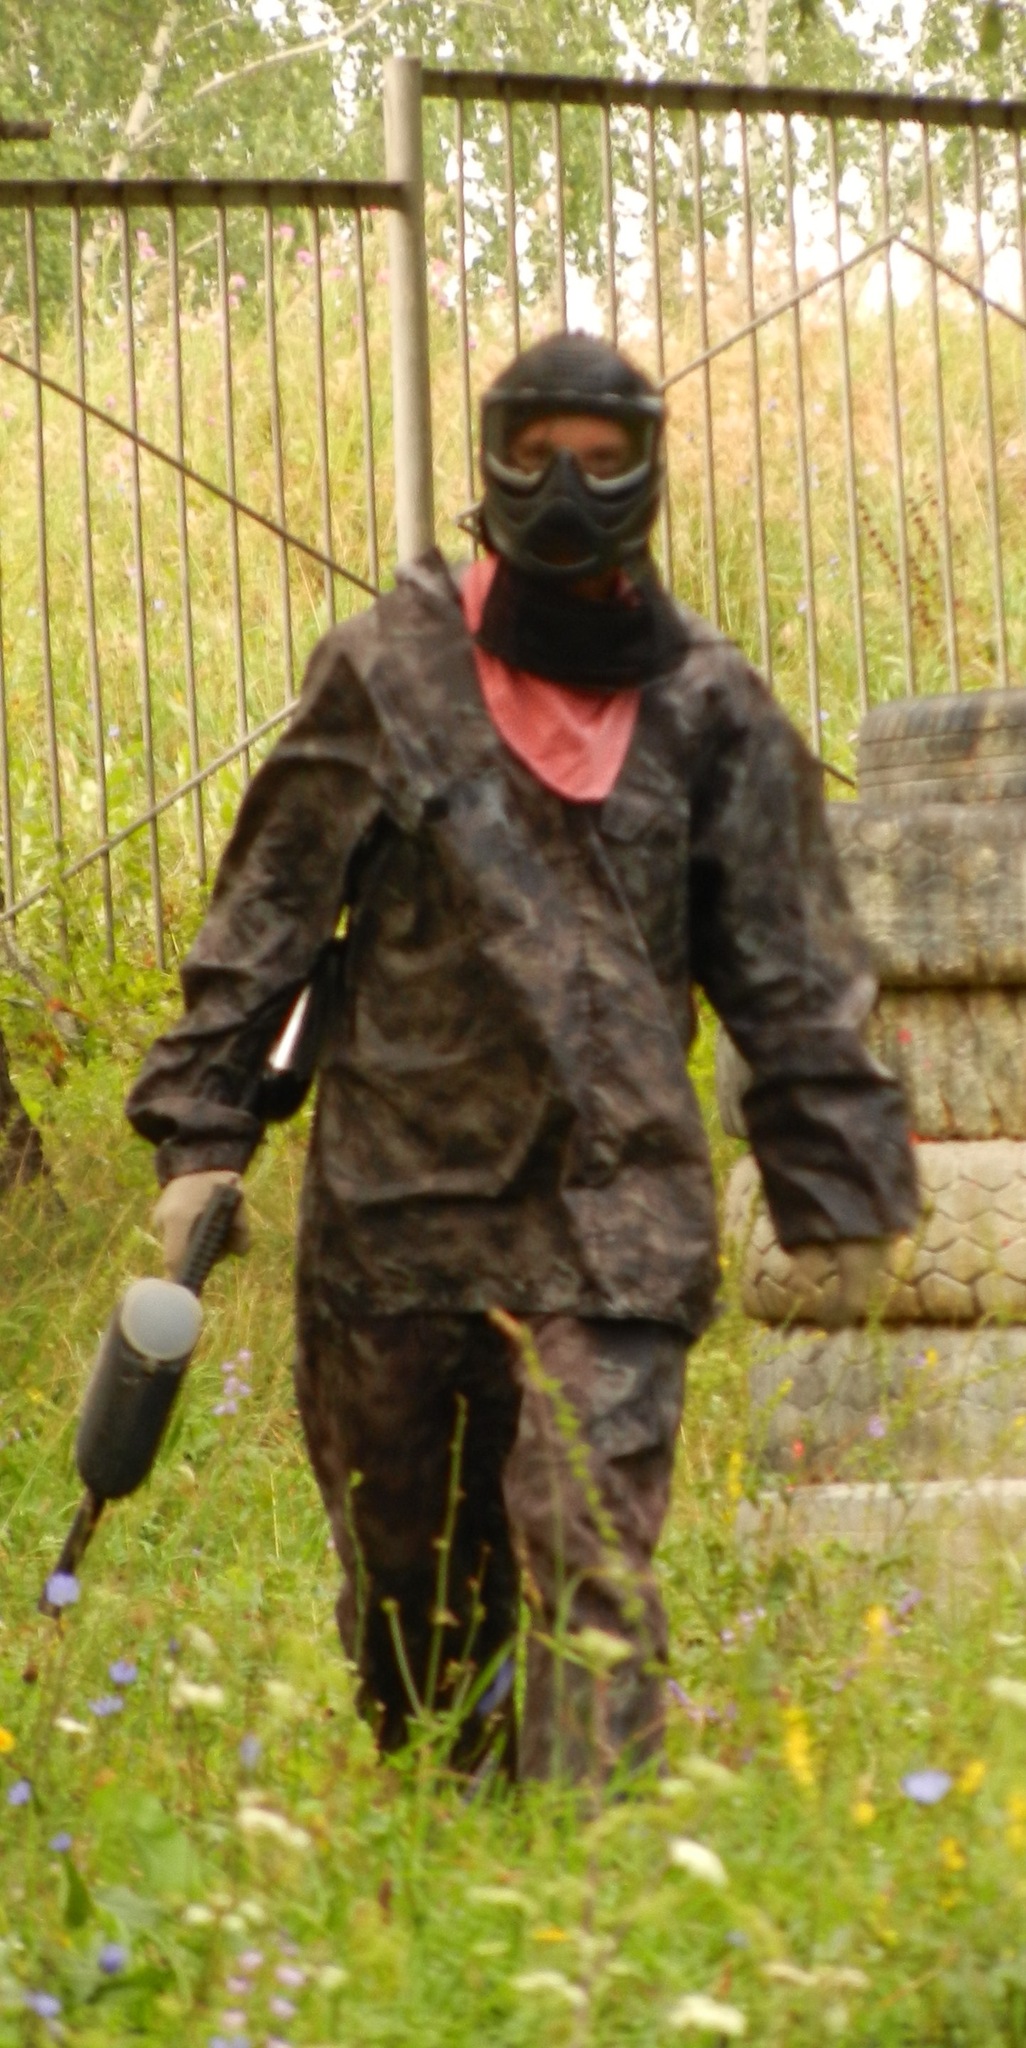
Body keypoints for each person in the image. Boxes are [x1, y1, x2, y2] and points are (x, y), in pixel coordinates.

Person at [127, 331, 917, 1784]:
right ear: (489, 463)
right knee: (415, 1605)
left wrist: (842, 1184)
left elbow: (791, 972)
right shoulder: (389, 673)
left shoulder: (713, 706)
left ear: (651, 475)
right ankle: (459, 1824)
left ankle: (590, 1869)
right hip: (395, 1216)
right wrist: (202, 1134)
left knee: (587, 1549)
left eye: (603, 460)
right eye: (538, 455)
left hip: (613, 1212)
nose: (567, 490)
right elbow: (268, 912)